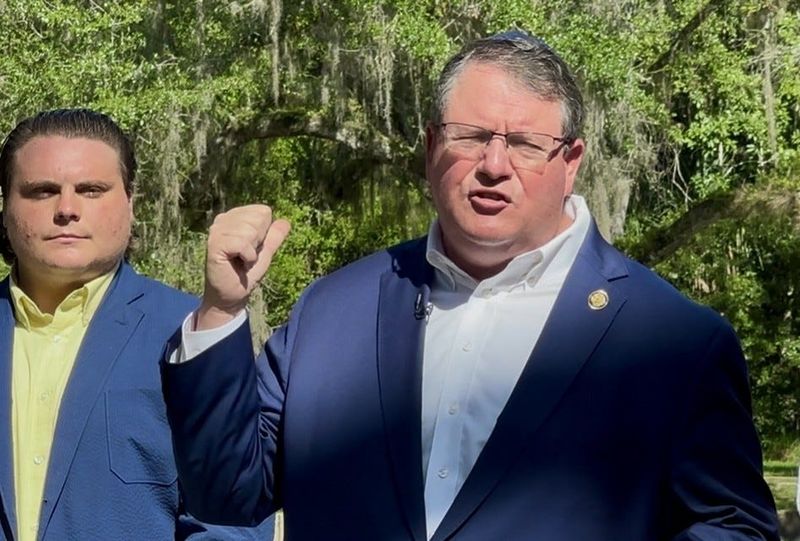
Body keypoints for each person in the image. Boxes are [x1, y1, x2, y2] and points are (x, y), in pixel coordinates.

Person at [161, 32, 780, 540]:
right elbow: (227, 492)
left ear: (571, 162)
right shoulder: (336, 309)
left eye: (524, 145)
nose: (493, 165)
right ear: (432, 146)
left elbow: (733, 526)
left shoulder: (673, 341)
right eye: (471, 136)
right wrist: (222, 308)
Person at [0, 109, 275, 540]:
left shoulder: (195, 335)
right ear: (5, 207)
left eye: (91, 190)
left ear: (131, 203)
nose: (67, 209)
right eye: (41, 191)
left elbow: (232, 522)